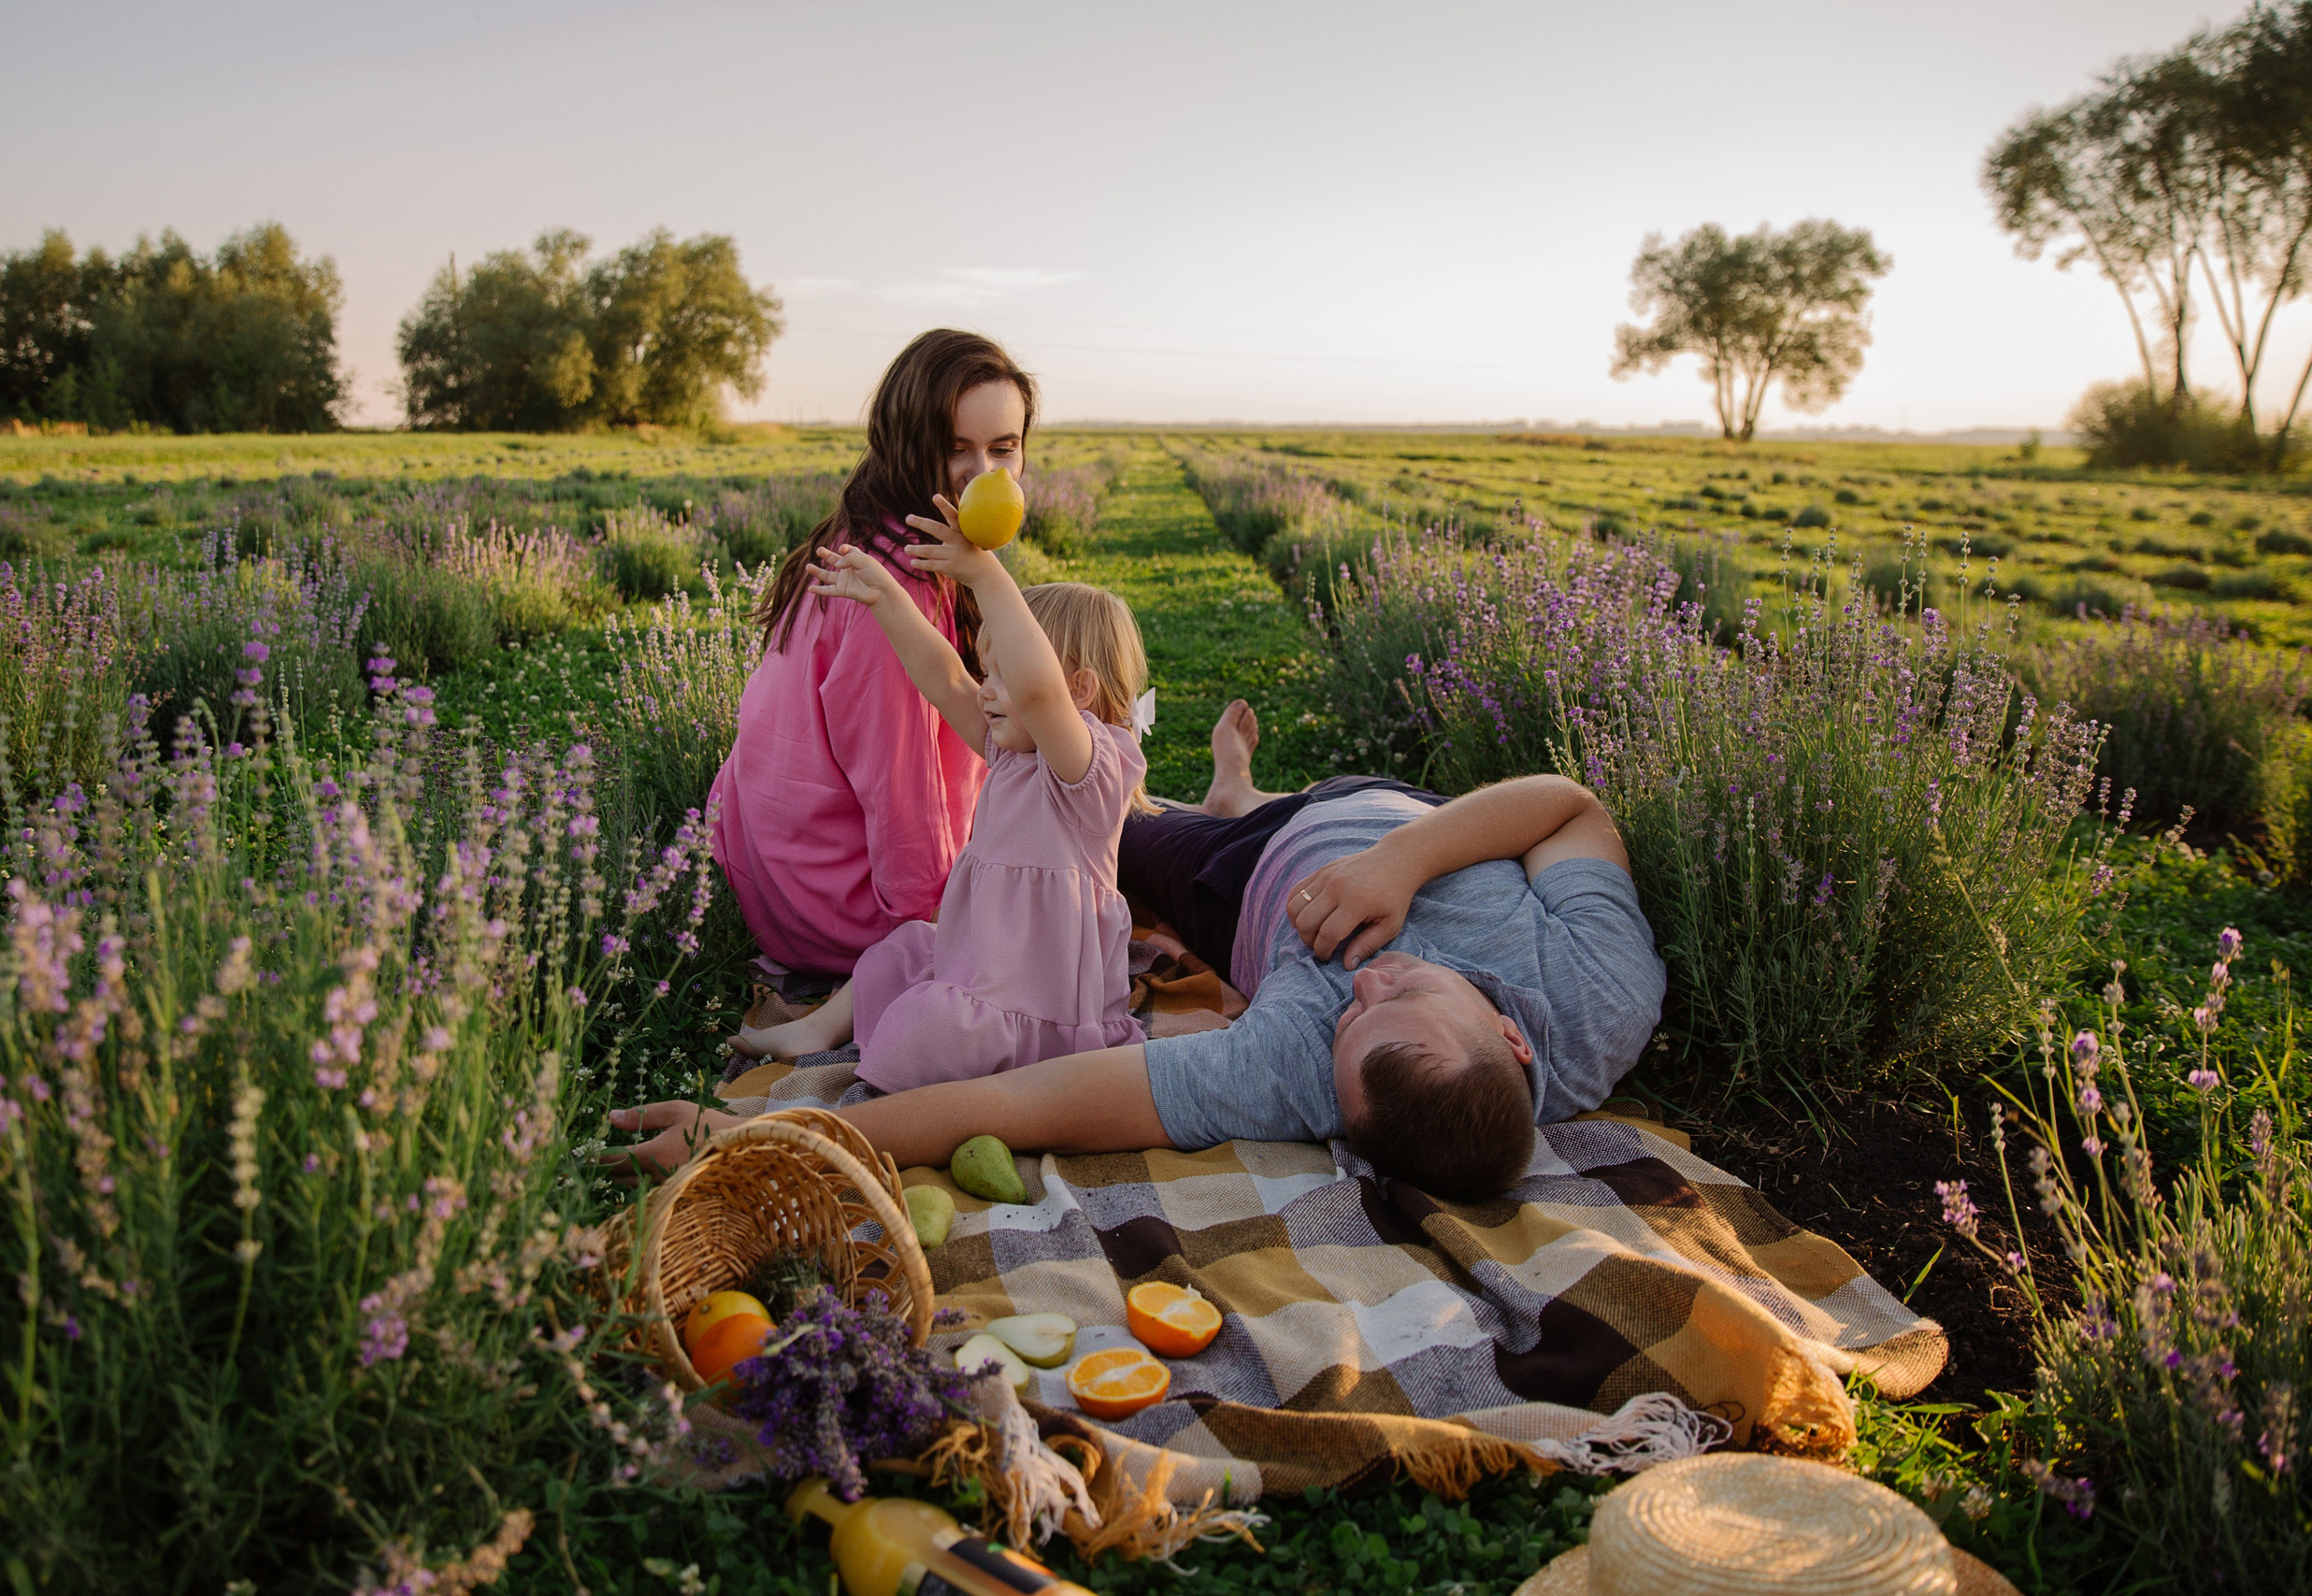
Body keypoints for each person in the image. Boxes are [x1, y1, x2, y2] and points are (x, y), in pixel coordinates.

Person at [616, 702, 1664, 1201]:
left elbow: (1021, 1105)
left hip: (1243, 882)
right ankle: (1240, 792)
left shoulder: (1292, 1064)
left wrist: (756, 1138)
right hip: (1408, 816)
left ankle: (1224, 808)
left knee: (1095, 824)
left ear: (1341, 1109)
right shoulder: (1598, 1003)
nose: (1363, 981)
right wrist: (1403, 859)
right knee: (1260, 811)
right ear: (1511, 1041)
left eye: (1351, 1014)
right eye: (1404, 991)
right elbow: (1569, 810)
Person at [726, 510, 1151, 1089]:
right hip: (980, 972)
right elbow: (947, 679)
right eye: (989, 668)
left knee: (929, 1026)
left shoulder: (1088, 773)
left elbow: (1038, 690)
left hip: (1041, 1015)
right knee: (901, 952)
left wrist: (986, 575)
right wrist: (885, 598)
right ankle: (818, 1029)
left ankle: (899, 1088)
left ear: (1077, 691)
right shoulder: (1013, 752)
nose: (990, 689)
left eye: (1004, 674)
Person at [707, 329, 1035, 977]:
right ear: (910, 447)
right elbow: (903, 798)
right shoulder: (894, 590)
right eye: (956, 450)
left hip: (772, 863)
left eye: (1005, 449)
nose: (985, 477)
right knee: (1083, 844)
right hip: (839, 903)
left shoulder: (879, 536)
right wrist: (937, 936)